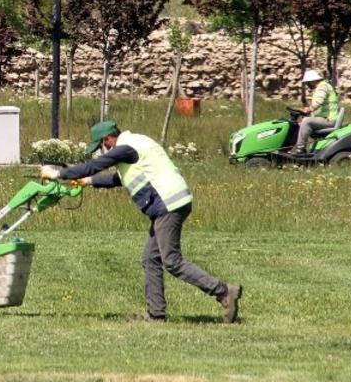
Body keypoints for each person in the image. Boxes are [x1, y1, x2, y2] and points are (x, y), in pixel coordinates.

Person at [41, 120, 243, 323]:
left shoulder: (125, 148)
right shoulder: (137, 143)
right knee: (150, 258)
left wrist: (57, 174)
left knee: (171, 261)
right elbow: (120, 178)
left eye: (102, 147)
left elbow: (93, 166)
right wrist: (88, 181)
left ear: (107, 140)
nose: (102, 151)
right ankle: (156, 314)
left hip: (168, 204)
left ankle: (224, 292)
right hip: (174, 201)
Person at [292, 68, 340, 153]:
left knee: (306, 121)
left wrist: (308, 109)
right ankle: (292, 147)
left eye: (307, 83)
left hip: (329, 119)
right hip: (324, 118)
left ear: (312, 81)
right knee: (299, 123)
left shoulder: (322, 86)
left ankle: (300, 149)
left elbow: (319, 101)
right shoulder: (322, 86)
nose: (307, 85)